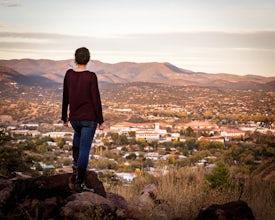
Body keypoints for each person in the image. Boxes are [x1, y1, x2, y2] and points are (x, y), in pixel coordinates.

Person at [61, 47, 104, 193]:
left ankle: (75, 168)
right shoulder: (91, 76)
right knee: (84, 150)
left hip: (75, 118)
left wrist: (64, 117)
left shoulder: (69, 74)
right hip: (89, 119)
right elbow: (96, 99)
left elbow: (65, 96)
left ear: (75, 58)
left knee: (77, 140)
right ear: (88, 59)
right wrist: (101, 121)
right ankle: (80, 183)